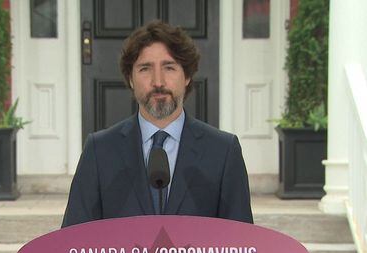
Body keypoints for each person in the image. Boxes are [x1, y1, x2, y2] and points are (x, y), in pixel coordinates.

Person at [61, 21, 253, 227]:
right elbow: (73, 242)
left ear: (187, 76)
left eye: (169, 67)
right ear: (131, 79)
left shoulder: (223, 150)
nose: (158, 81)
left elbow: (241, 246)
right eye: (145, 69)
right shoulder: (99, 150)